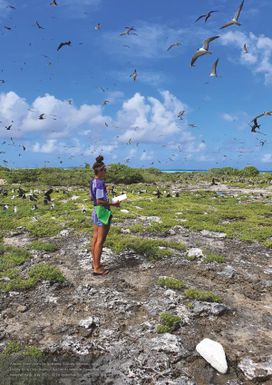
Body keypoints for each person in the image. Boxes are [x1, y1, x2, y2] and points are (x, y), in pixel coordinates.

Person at [90, 155, 120, 275]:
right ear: (100, 171)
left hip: (96, 211)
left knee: (95, 238)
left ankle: (95, 263)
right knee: (100, 241)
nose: (106, 172)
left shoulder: (93, 181)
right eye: (105, 170)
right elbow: (99, 200)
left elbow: (92, 198)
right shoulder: (100, 183)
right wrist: (113, 203)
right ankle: (97, 268)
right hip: (102, 211)